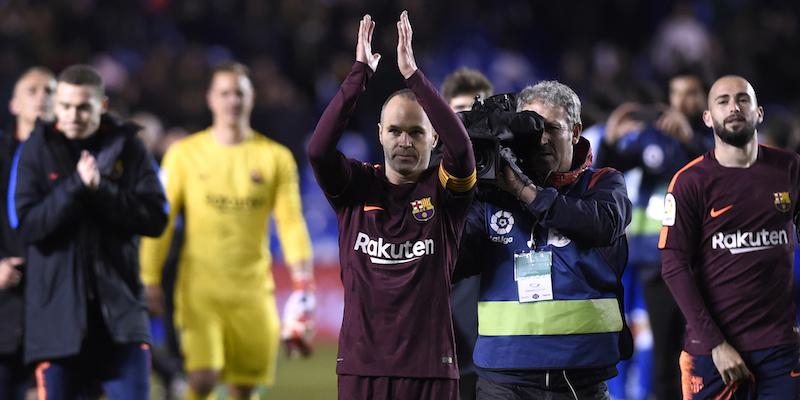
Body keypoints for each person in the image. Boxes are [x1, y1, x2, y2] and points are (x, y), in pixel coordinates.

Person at [308, 12, 476, 400]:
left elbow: (464, 152)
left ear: (433, 140)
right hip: (361, 368)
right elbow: (318, 151)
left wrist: (414, 75)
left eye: (417, 132)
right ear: (379, 134)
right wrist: (359, 74)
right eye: (396, 131)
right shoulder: (355, 187)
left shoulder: (447, 194)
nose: (405, 141)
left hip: (431, 370)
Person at [139, 61, 315, 400]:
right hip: (198, 291)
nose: (232, 101)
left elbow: (291, 222)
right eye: (224, 93)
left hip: (253, 292)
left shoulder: (275, 158)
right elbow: (159, 220)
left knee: (244, 390)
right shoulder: (183, 155)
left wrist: (303, 285)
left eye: (239, 93)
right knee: (203, 378)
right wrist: (149, 276)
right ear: (210, 99)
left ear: (252, 99)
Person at [454, 81, 633, 400]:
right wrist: (452, 194)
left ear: (576, 132)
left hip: (580, 379)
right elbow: (453, 262)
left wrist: (526, 193)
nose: (542, 138)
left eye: (552, 127)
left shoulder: (602, 183)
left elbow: (603, 225)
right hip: (503, 380)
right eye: (531, 129)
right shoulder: (492, 195)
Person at [8, 64, 167, 400]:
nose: (72, 115)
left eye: (83, 107)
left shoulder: (129, 147)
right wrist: (77, 188)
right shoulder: (35, 150)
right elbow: (27, 226)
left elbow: (156, 218)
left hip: (122, 323)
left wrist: (104, 191)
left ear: (103, 106)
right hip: (56, 328)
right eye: (64, 106)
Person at [659, 75, 800, 399]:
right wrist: (716, 344)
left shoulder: (790, 168)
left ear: (759, 113)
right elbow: (674, 267)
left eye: (742, 99)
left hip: (780, 348)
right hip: (712, 353)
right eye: (722, 101)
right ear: (708, 117)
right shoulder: (689, 182)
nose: (733, 107)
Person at [596, 68, 713, 400]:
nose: (681, 101)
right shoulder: (654, 136)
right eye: (676, 93)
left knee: (705, 354)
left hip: (703, 264)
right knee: (665, 358)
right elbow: (609, 169)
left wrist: (689, 139)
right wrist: (611, 140)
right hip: (658, 265)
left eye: (690, 93)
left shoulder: (715, 139)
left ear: (705, 98)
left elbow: (713, 176)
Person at [0, 67, 56, 400]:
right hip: (5, 304)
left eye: (50, 91)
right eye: (33, 90)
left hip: (54, 305)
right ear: (14, 104)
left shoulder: (75, 158)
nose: (42, 97)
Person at [439, 66, 493, 400]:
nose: (469, 123)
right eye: (459, 114)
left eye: (478, 111)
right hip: (450, 339)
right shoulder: (427, 177)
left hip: (498, 341)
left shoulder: (513, 175)